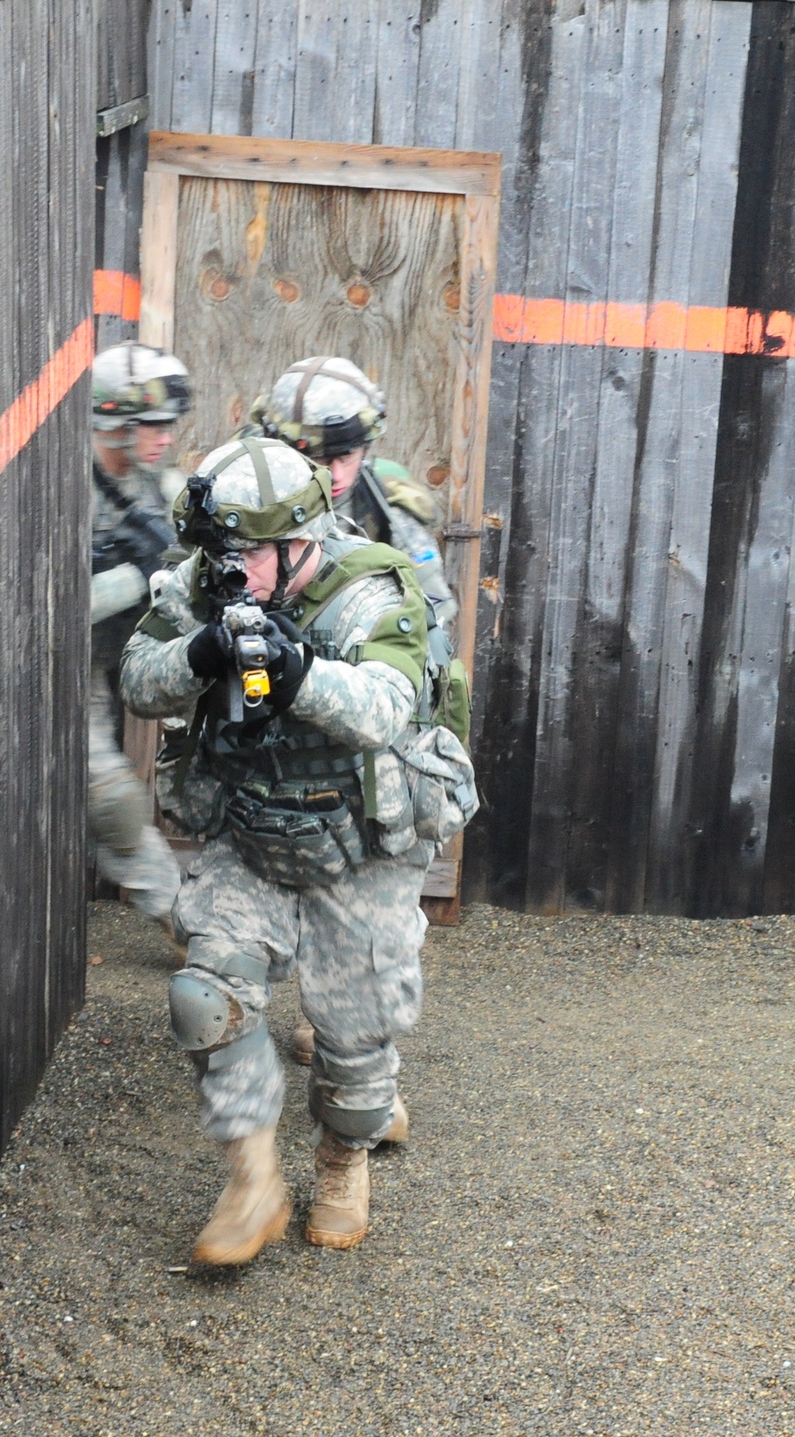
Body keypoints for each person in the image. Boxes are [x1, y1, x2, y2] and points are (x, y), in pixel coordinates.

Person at [119, 434, 460, 1261]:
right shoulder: (206, 583)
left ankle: (345, 1158)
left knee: (355, 1035)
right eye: (221, 550)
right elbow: (137, 677)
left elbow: (385, 705)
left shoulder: (371, 589)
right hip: (256, 828)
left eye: (251, 553)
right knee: (206, 995)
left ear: (302, 539)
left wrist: (298, 671)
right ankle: (252, 1178)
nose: (231, 568)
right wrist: (198, 654)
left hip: (362, 842)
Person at [247, 354, 457, 1063]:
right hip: (281, 743)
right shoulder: (251, 507)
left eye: (347, 455)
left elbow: (435, 633)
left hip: (378, 734)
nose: (334, 474)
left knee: (377, 930)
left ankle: (354, 1049)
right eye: (313, 457)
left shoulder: (391, 516)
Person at [89, 341, 192, 929]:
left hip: (142, 654)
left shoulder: (159, 484)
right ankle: (180, 919)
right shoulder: (55, 489)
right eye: (152, 425)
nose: (166, 437)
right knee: (113, 801)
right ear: (114, 423)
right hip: (62, 666)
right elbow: (38, 609)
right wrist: (137, 574)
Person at [246, 355, 456, 630]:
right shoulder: (243, 493)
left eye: (346, 457)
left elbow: (434, 611)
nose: (337, 476)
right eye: (319, 459)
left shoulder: (384, 510)